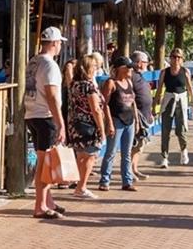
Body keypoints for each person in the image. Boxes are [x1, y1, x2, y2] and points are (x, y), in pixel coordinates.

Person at [25, 27, 67, 219]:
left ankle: (47, 201)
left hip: (32, 113)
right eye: (59, 43)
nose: (60, 47)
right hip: (45, 115)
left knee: (44, 160)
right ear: (54, 43)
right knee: (45, 163)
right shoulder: (50, 66)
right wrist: (60, 123)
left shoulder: (33, 61)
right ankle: (40, 205)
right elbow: (51, 95)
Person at [65, 54, 104, 197]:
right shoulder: (89, 86)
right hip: (89, 125)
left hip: (75, 124)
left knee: (81, 155)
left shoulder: (74, 85)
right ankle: (81, 187)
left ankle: (79, 185)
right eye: (94, 66)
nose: (96, 69)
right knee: (90, 156)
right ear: (88, 68)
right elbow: (96, 109)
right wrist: (101, 129)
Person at [100, 56, 138, 191]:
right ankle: (105, 180)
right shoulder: (111, 83)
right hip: (116, 120)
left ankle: (127, 181)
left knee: (127, 153)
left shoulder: (129, 82)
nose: (130, 70)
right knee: (111, 151)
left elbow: (133, 103)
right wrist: (109, 122)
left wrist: (137, 121)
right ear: (120, 69)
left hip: (129, 121)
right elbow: (104, 104)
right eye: (128, 68)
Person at [156, 49, 193, 167]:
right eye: (174, 57)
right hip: (168, 101)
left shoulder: (185, 72)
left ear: (182, 59)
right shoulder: (165, 72)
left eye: (179, 57)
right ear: (170, 58)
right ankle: (164, 157)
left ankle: (184, 150)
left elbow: (190, 88)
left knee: (181, 130)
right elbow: (159, 89)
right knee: (165, 130)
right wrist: (155, 106)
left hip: (181, 101)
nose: (176, 59)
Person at [130, 51, 154, 181]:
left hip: (145, 115)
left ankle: (135, 168)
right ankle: (129, 170)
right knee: (133, 145)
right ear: (139, 63)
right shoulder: (132, 76)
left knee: (140, 145)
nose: (146, 65)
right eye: (145, 62)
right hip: (136, 116)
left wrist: (150, 113)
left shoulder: (141, 76)